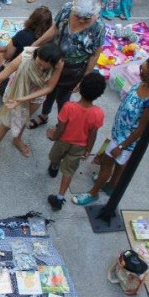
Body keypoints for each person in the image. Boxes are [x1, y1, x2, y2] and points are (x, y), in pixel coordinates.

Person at [72, 48, 149, 206]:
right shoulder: (147, 83)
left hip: (125, 141)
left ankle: (93, 193)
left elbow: (141, 129)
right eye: (142, 68)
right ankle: (111, 186)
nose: (141, 73)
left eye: (145, 73)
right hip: (120, 134)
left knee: (106, 163)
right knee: (120, 164)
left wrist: (121, 146)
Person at [0, 43, 64, 173]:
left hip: (35, 95)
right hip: (16, 92)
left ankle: (17, 139)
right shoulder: (26, 57)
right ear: (36, 55)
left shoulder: (59, 64)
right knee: (6, 124)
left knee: (24, 118)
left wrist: (23, 100)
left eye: (45, 67)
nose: (40, 68)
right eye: (38, 63)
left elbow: (49, 88)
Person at [28, 0, 106, 130]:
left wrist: (85, 76)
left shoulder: (98, 27)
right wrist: (35, 44)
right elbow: (54, 29)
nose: (81, 21)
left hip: (74, 69)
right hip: (55, 61)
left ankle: (61, 123)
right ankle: (44, 116)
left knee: (63, 97)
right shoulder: (66, 9)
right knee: (48, 91)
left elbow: (95, 54)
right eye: (78, 17)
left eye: (86, 19)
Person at [45, 72, 105, 211]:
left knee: (54, 157)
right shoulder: (98, 113)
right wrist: (88, 150)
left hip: (62, 141)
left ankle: (54, 167)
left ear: (80, 87)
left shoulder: (68, 107)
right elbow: (93, 134)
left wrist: (53, 136)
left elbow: (61, 128)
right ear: (99, 94)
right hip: (80, 146)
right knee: (69, 171)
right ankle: (60, 197)